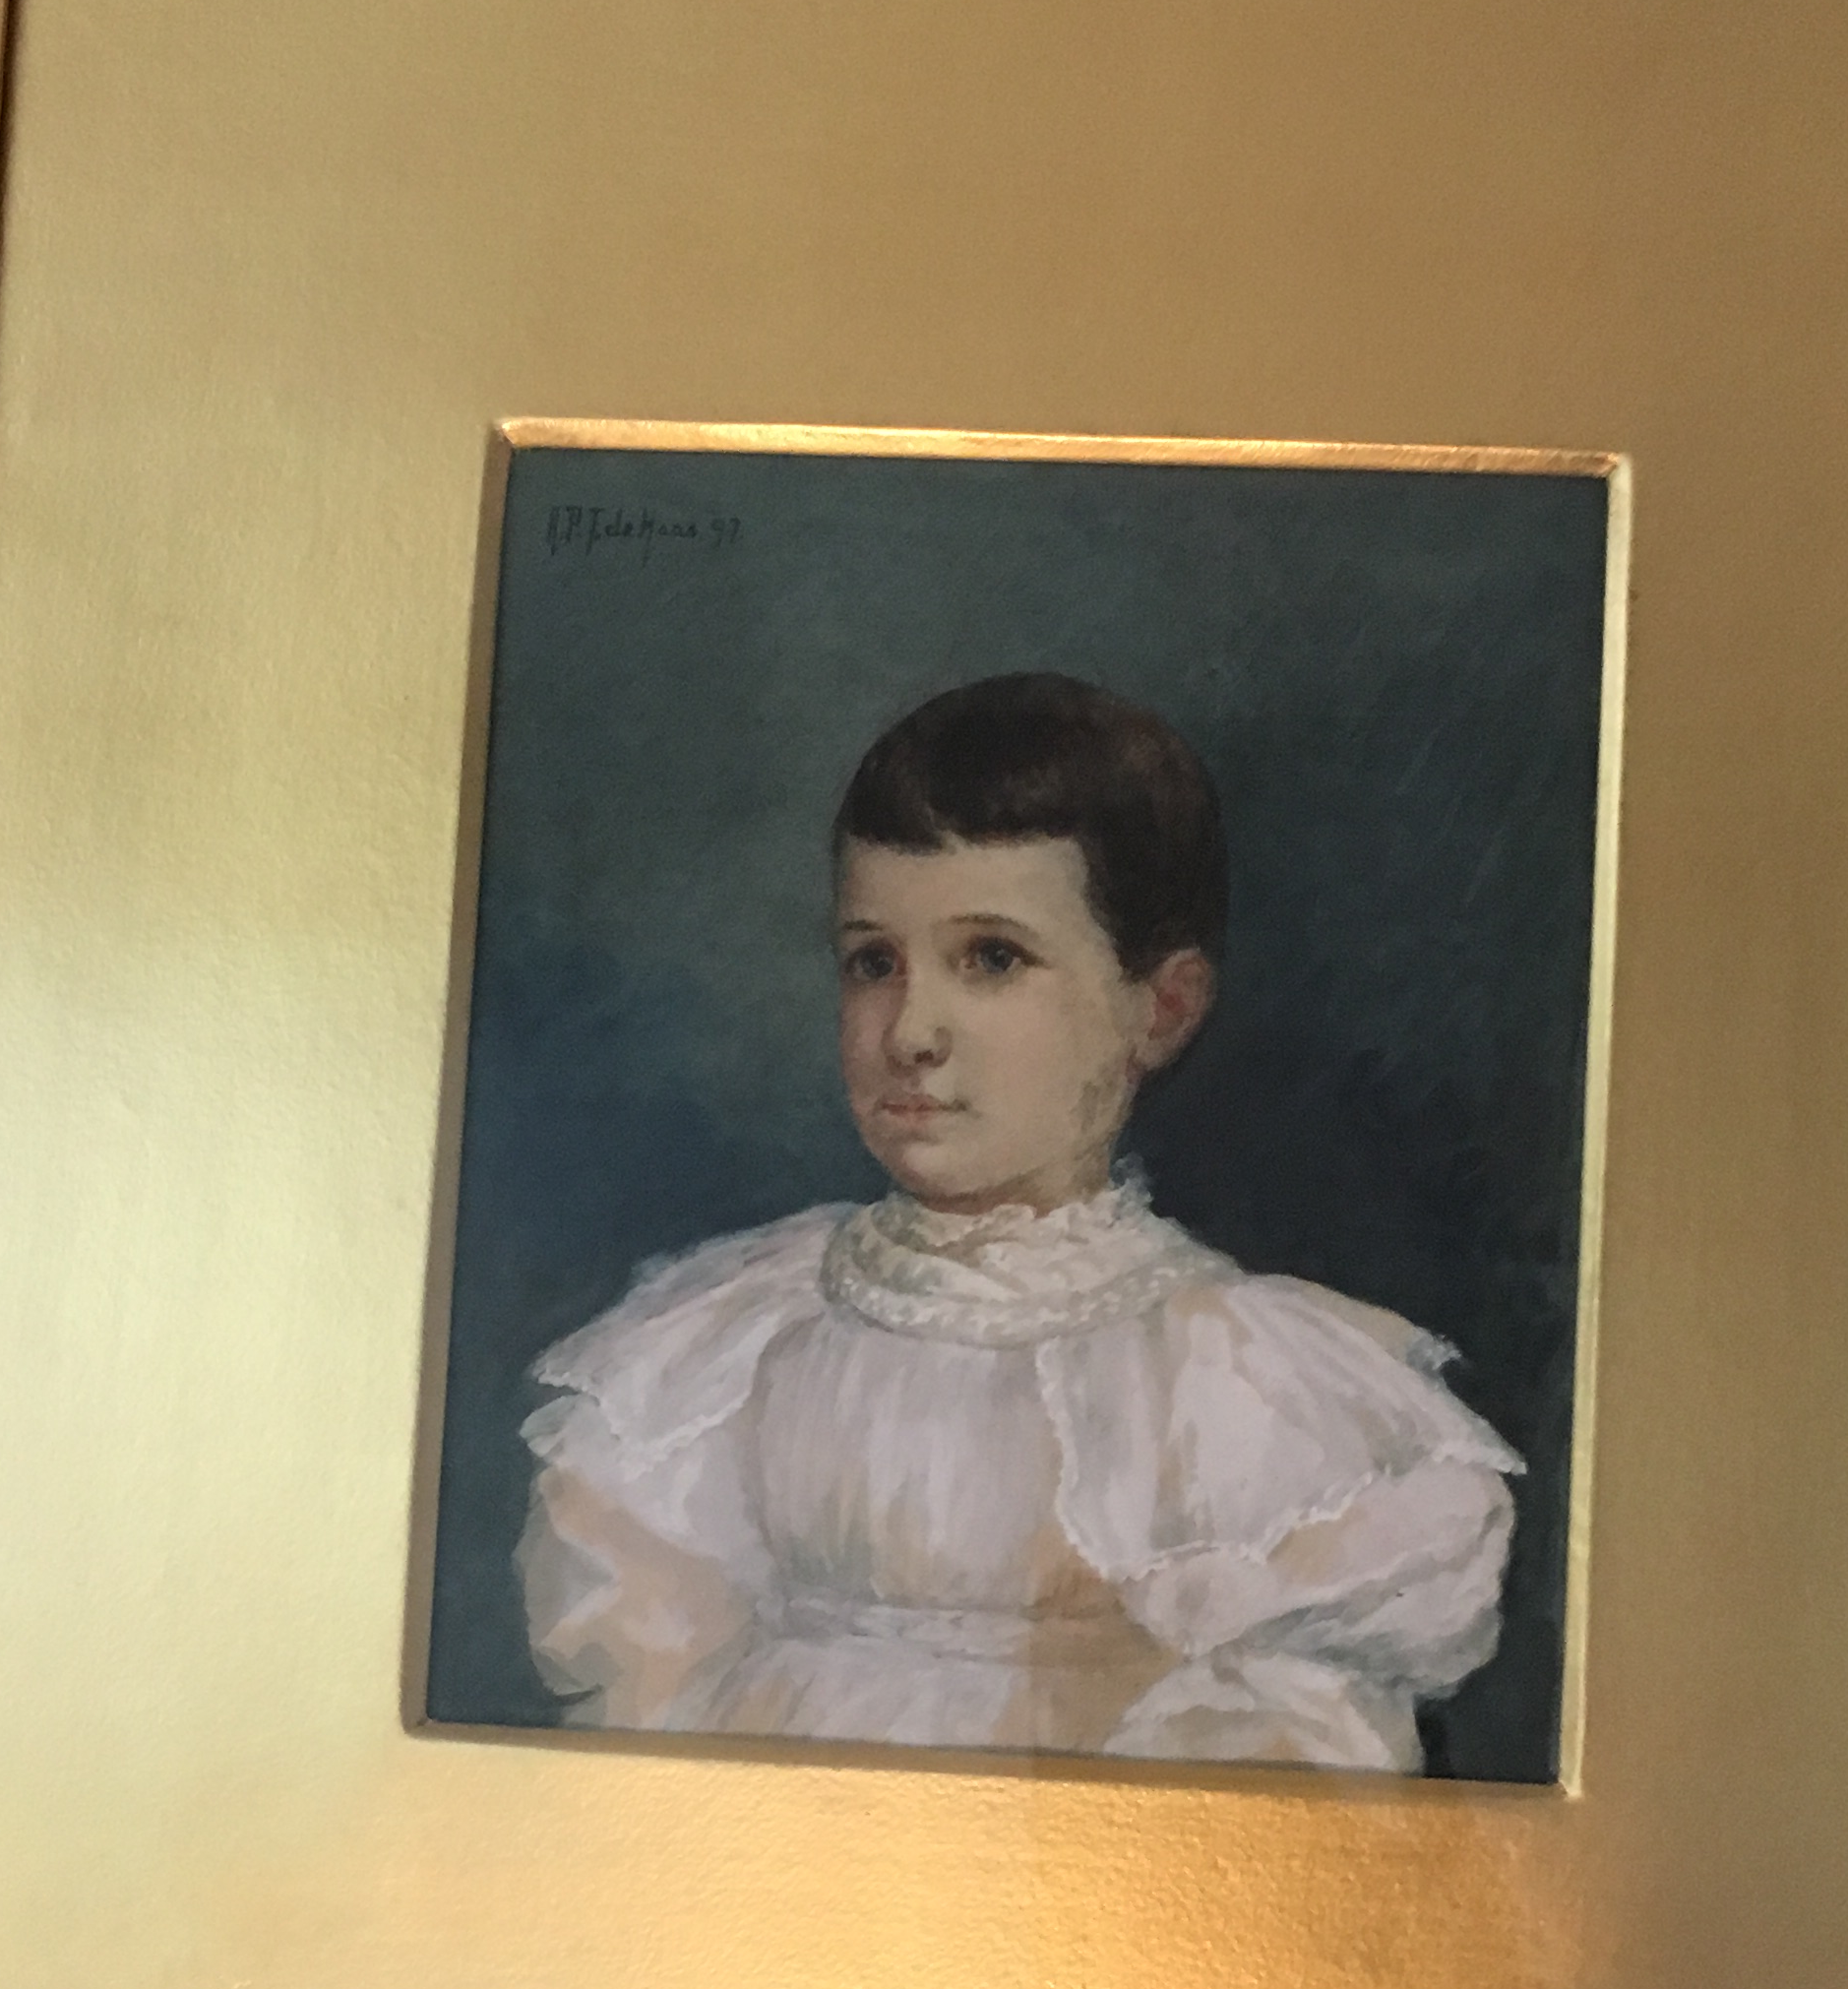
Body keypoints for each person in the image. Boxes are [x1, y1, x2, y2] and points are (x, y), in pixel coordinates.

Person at [516, 672, 1521, 1771]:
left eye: (991, 959)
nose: (911, 1031)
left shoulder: (1238, 1380)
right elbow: (641, 1677)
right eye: (873, 962)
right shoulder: (738, 1341)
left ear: (1159, 1009)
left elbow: (1293, 1750)